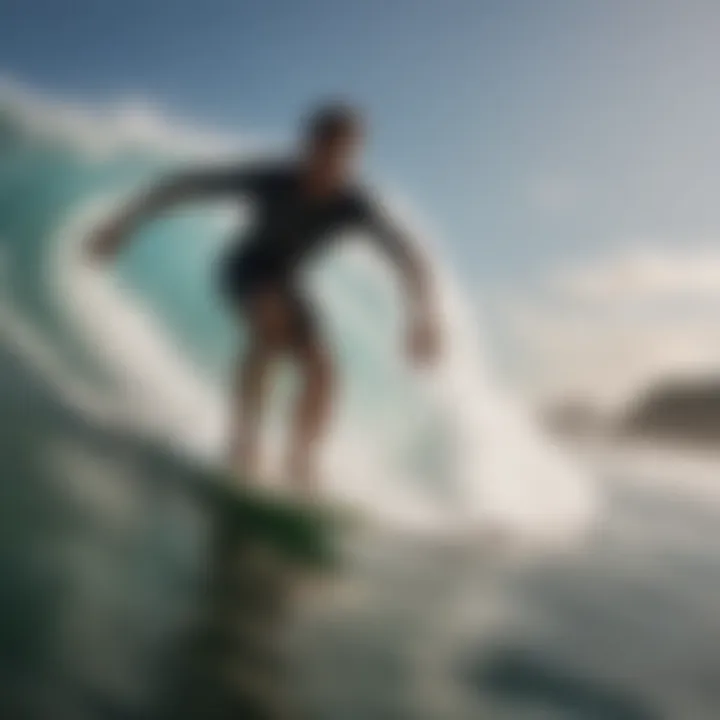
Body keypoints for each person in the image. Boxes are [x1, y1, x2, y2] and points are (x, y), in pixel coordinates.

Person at [87, 103, 441, 496]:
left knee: (324, 372)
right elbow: (185, 185)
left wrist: (423, 318)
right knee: (269, 324)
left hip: (289, 281)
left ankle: (301, 464)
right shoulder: (273, 179)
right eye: (325, 151)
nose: (332, 165)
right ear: (309, 146)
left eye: (345, 155)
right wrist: (121, 224)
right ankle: (244, 442)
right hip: (245, 268)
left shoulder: (353, 204)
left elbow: (407, 256)